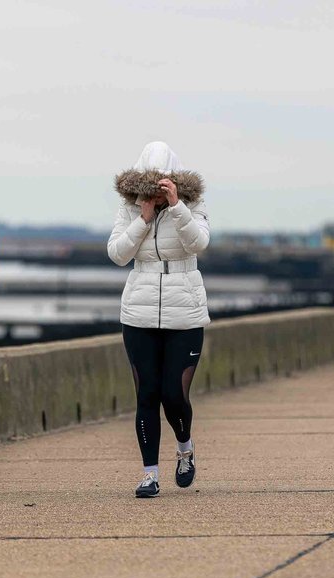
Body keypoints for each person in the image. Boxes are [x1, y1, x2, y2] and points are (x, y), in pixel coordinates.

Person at [108, 141, 210, 498]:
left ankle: (185, 448)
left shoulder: (192, 204)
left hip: (186, 312)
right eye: (148, 184)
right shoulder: (131, 208)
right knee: (147, 394)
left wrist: (178, 206)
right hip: (139, 311)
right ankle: (149, 474)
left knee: (174, 394)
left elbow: (199, 243)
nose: (155, 190)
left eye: (161, 183)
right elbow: (118, 254)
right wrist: (143, 218)